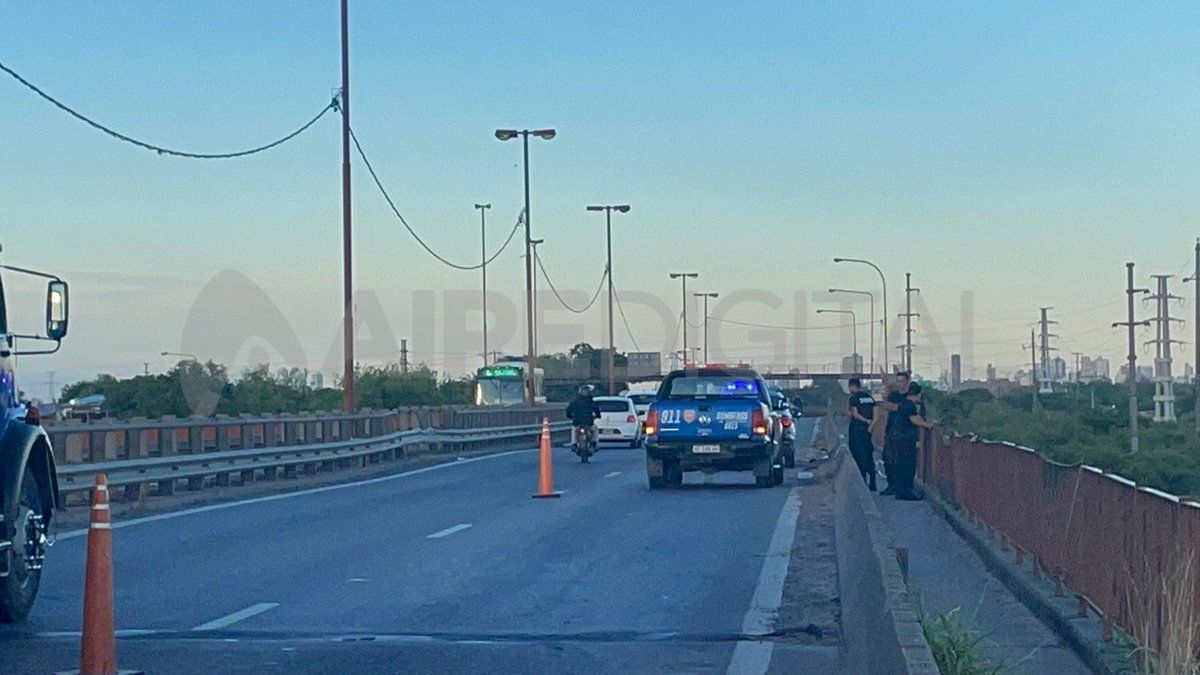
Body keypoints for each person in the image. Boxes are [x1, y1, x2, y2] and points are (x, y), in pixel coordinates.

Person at [890, 383, 936, 501]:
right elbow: (915, 419)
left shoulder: (904, 403)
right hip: (906, 440)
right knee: (908, 466)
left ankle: (901, 492)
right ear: (918, 394)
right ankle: (906, 492)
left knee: (901, 465)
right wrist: (928, 425)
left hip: (899, 439)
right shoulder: (910, 405)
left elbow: (916, 417)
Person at [879, 371, 911, 496]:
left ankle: (904, 488)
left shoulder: (910, 397)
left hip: (906, 433)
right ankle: (891, 486)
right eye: (898, 381)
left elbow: (892, 407)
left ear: (907, 382)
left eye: (902, 381)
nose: (900, 384)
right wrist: (886, 386)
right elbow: (886, 406)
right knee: (889, 460)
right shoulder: (894, 395)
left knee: (904, 463)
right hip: (892, 431)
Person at [845, 378, 877, 491]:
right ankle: (873, 483)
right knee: (868, 454)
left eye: (849, 387)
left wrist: (865, 421)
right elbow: (876, 414)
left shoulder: (853, 398)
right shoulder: (870, 398)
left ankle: (862, 481)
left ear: (853, 386)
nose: (849, 389)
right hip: (868, 431)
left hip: (857, 430)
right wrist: (871, 424)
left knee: (858, 455)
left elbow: (854, 414)